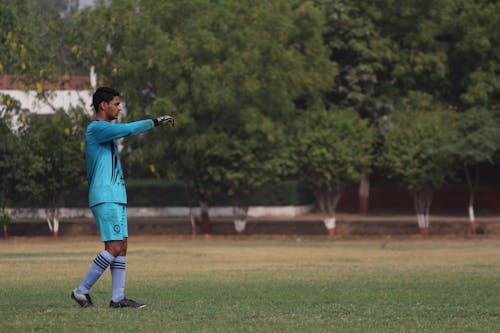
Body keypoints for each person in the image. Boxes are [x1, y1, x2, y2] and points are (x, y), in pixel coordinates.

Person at [71, 87, 174, 309]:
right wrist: (154, 122)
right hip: (105, 195)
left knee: (122, 246)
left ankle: (117, 299)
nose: (120, 107)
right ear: (103, 105)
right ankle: (81, 291)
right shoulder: (96, 128)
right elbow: (128, 130)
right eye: (116, 103)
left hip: (115, 195)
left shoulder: (105, 130)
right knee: (114, 246)